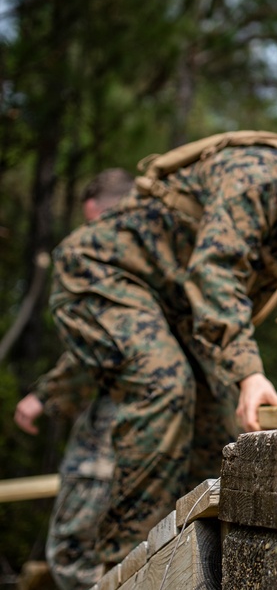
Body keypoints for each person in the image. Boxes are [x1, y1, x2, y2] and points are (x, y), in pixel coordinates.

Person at [47, 97, 277, 572]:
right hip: (105, 273)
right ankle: (118, 570)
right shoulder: (262, 172)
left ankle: (185, 568)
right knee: (164, 386)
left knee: (228, 437)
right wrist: (248, 371)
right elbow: (216, 271)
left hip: (179, 313)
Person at [13, 168, 133, 590]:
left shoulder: (100, 253)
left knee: (76, 554)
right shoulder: (159, 254)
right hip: (173, 437)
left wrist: (44, 395)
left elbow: (99, 347)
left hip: (117, 428)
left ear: (90, 209)